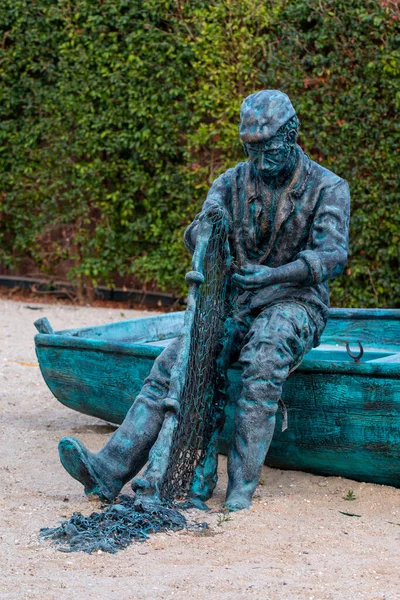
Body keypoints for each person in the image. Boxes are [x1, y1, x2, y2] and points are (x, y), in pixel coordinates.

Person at [58, 90, 350, 511]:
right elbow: (195, 234)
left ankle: (240, 492)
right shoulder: (230, 181)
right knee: (174, 363)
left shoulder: (327, 187)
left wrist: (275, 275)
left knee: (263, 360)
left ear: (291, 134)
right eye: (249, 148)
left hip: (295, 300)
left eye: (266, 148)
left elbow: (332, 255)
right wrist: (205, 233)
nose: (257, 159)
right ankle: (108, 469)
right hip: (232, 301)